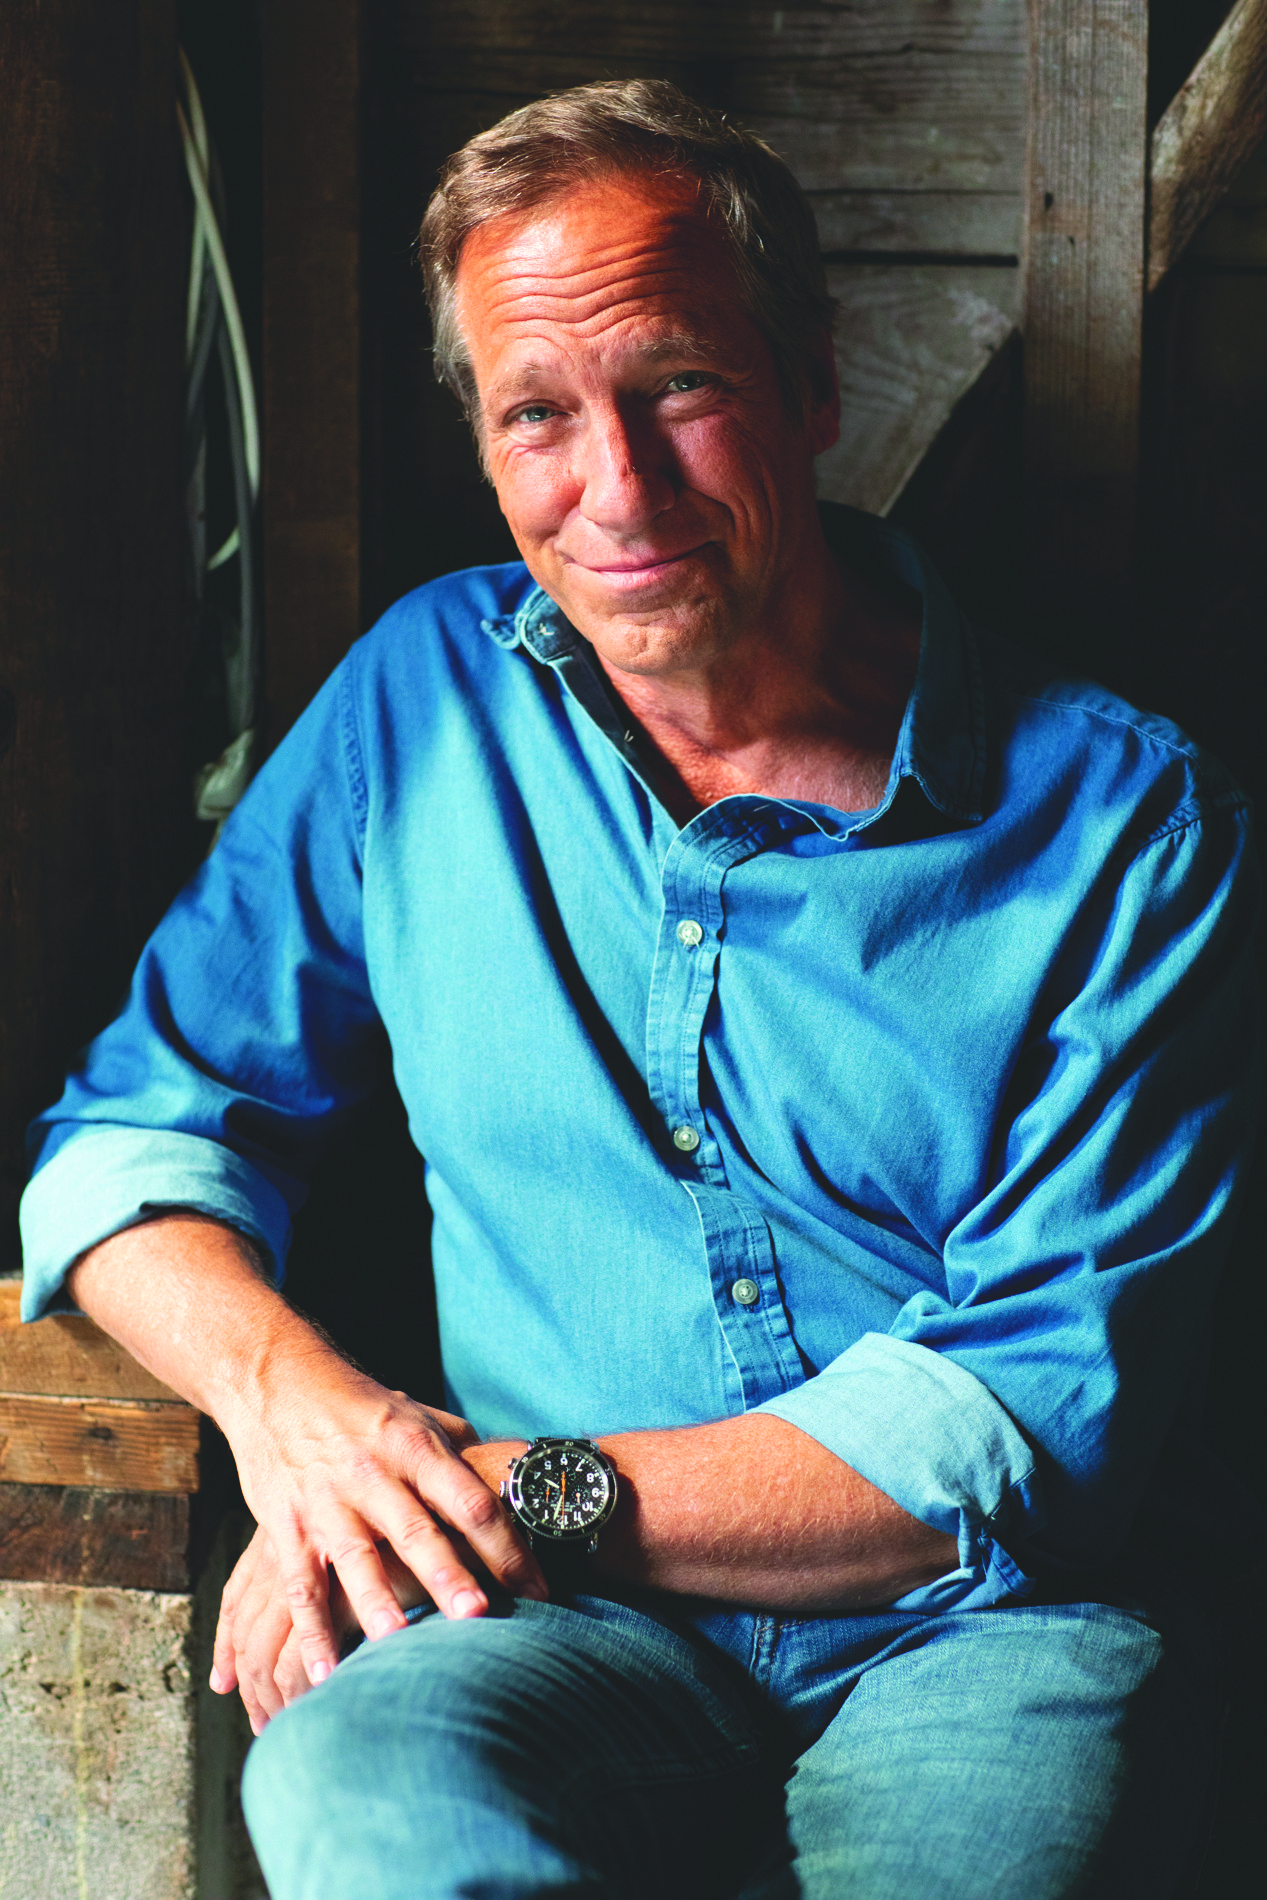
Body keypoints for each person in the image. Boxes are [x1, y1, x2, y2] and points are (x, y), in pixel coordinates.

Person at [19, 80, 1259, 1900]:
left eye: (677, 386)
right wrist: (305, 1421)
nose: (615, 486)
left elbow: (1020, 1431)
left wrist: (482, 1492)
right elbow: (134, 1139)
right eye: (536, 412)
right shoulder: (422, 702)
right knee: (357, 1800)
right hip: (548, 1628)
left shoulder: (1129, 823)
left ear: (810, 385)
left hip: (986, 1630)